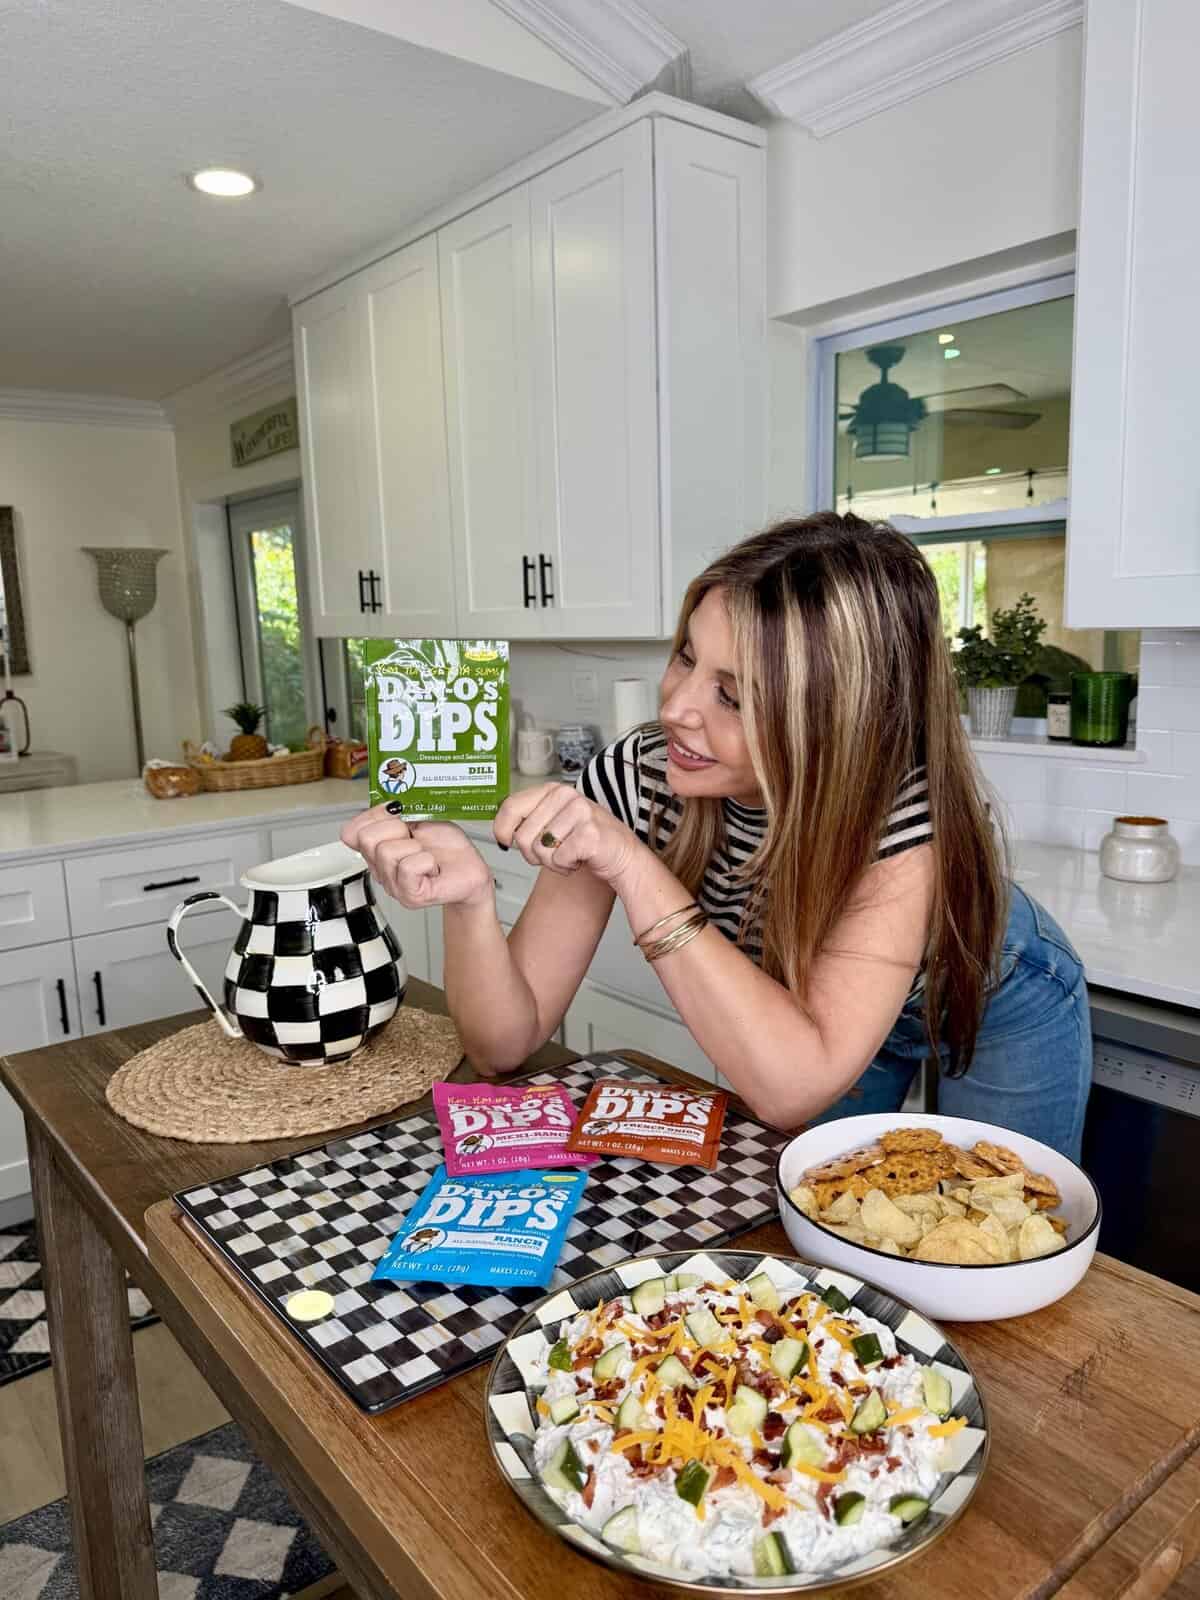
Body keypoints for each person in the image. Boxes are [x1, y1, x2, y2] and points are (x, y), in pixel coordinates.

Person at [344, 514, 1092, 1160]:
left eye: (731, 695)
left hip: (995, 996)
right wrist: (471, 900)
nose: (676, 708)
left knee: (992, 1222)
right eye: (686, 658)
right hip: (812, 1012)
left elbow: (791, 1088)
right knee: (802, 1217)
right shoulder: (637, 777)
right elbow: (502, 1046)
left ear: (835, 720)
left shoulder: (897, 817)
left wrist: (633, 866)